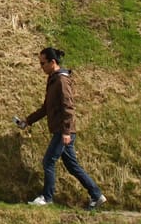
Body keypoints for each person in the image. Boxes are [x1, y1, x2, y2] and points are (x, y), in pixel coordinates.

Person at [17, 46, 105, 210]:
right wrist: (27, 121)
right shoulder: (53, 80)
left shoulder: (62, 81)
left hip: (63, 132)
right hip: (62, 131)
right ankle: (96, 195)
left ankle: (47, 197)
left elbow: (68, 107)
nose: (41, 67)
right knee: (72, 166)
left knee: (48, 161)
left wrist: (66, 132)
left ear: (52, 62)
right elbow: (46, 108)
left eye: (42, 63)